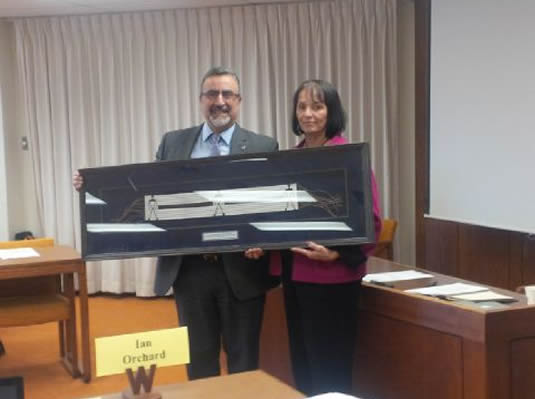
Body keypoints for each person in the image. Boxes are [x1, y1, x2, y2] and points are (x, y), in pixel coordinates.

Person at [74, 67, 278, 380]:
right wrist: (93, 186)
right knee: (198, 363)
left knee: (244, 365)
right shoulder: (173, 142)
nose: (219, 101)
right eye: (212, 93)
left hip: (241, 272)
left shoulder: (264, 146)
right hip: (189, 272)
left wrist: (262, 242)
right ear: (200, 100)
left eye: (227, 94)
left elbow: (271, 207)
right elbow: (146, 193)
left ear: (239, 101)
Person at [246, 79, 382, 396]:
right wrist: (256, 238)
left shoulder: (348, 156)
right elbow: (275, 213)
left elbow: (371, 218)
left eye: (317, 106)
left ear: (331, 112)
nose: (309, 114)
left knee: (330, 369)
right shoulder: (288, 158)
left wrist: (337, 253)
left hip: (333, 279)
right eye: (302, 106)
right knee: (303, 366)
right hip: (294, 277)